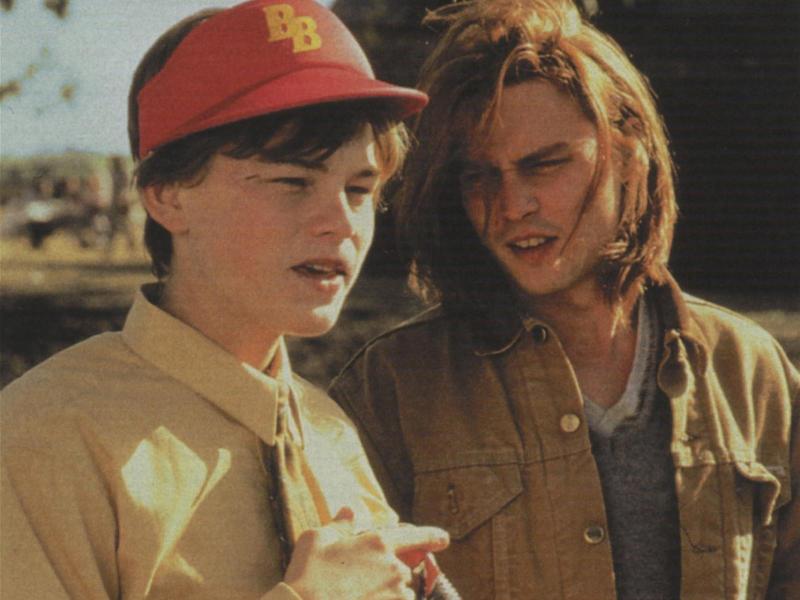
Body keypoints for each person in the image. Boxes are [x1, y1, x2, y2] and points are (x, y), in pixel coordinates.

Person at [328, 1, 799, 598]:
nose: (511, 206)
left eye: (545, 165)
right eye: (479, 176)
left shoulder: (751, 372)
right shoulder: (389, 391)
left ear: (629, 155)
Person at [0, 1, 457, 598]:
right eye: (292, 181)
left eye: (359, 188)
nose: (342, 221)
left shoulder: (330, 433)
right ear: (167, 195)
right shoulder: (47, 438)